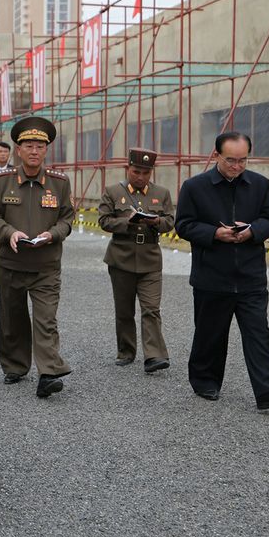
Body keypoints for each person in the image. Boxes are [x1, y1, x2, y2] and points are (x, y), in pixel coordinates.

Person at [174, 131, 269, 410]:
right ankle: (205, 380)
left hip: (251, 276)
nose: (237, 166)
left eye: (243, 160)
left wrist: (252, 232)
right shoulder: (195, 187)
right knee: (210, 334)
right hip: (211, 276)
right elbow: (184, 225)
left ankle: (267, 390)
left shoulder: (260, 185)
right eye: (231, 160)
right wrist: (215, 233)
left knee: (258, 333)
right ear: (216, 155)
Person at [0, 116, 74, 398]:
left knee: (46, 320)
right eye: (29, 146)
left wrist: (53, 234)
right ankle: (15, 365)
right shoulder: (2, 181)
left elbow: (67, 218)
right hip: (10, 264)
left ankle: (48, 373)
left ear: (46, 150)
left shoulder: (59, 183)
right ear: (18, 150)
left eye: (40, 146)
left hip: (46, 265)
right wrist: (8, 232)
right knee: (13, 318)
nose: (34, 151)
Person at [97, 148, 174, 373]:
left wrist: (157, 221)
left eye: (145, 173)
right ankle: (126, 351)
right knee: (124, 310)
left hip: (150, 259)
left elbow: (170, 221)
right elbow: (103, 220)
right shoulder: (113, 191)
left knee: (151, 309)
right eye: (136, 171)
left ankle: (154, 356)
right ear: (128, 169)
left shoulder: (162, 193)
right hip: (121, 258)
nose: (140, 177)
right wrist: (126, 222)